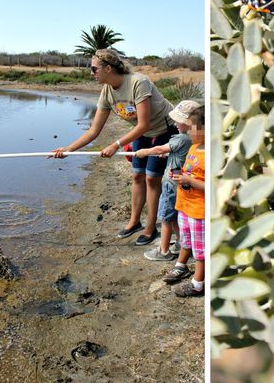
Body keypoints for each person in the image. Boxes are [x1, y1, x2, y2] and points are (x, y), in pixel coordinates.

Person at [52, 48, 176, 245]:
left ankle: (150, 228)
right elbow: (94, 130)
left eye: (94, 69)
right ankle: (134, 222)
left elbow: (144, 123)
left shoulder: (138, 82)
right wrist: (68, 149)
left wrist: (116, 145)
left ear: (108, 68)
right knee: (137, 175)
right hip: (142, 133)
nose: (91, 73)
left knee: (152, 178)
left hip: (164, 130)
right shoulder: (107, 92)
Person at [135, 100, 199, 261]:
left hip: (171, 186)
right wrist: (168, 154)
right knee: (175, 217)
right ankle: (181, 242)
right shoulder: (193, 139)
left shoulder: (181, 139)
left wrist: (144, 152)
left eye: (179, 121)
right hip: (182, 186)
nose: (175, 123)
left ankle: (163, 251)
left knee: (165, 218)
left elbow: (159, 149)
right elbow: (177, 153)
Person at [162, 106, 205, 297]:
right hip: (185, 205)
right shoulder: (194, 148)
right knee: (186, 241)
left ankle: (198, 283)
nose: (189, 131)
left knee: (201, 249)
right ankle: (181, 266)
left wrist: (189, 181)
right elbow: (190, 171)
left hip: (199, 210)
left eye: (193, 127)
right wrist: (180, 175)